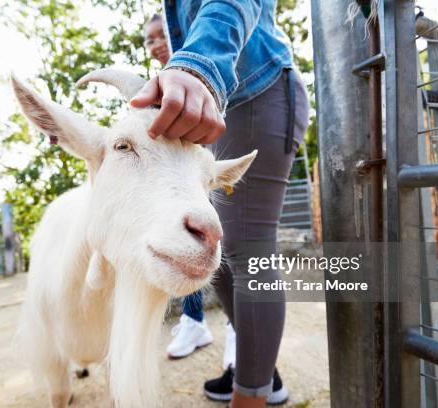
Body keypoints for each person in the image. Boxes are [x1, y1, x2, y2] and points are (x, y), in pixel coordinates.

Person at [132, 2, 309, 407]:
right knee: (224, 248)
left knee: (249, 250)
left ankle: (250, 397)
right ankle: (261, 371)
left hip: (257, 90)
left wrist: (197, 67)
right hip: (223, 100)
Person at [144, 13, 239, 363]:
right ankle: (194, 318)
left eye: (160, 35)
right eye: (149, 39)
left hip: (210, 169)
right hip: (177, 195)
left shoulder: (205, 71)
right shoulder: (158, 90)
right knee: (184, 241)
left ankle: (236, 333)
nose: (156, 44)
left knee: (225, 238)